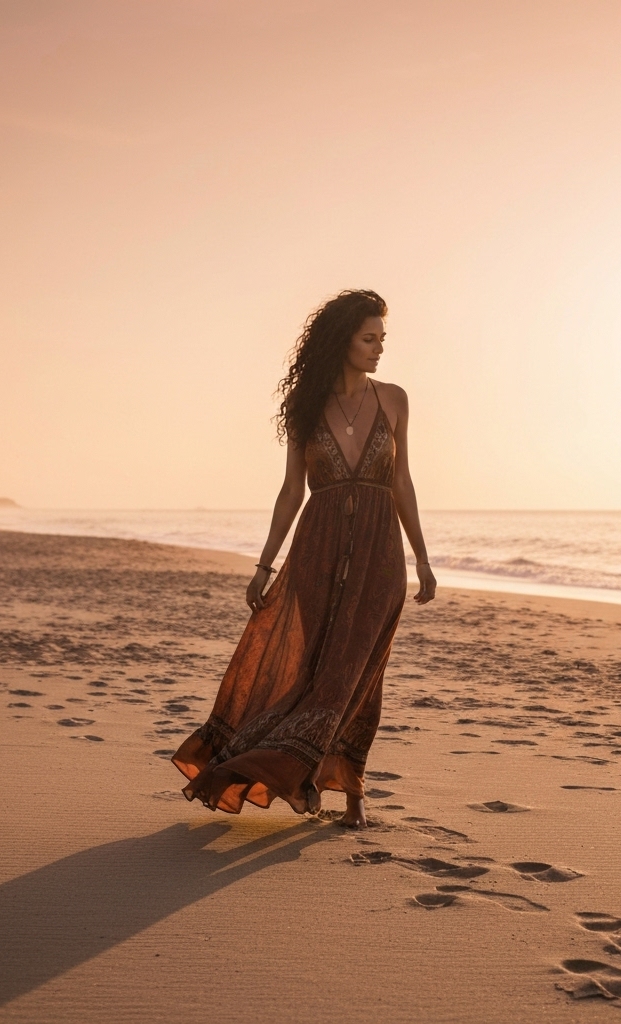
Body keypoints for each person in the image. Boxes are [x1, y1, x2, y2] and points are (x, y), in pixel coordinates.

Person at [172, 289, 436, 828]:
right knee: (315, 671)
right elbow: (292, 492)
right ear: (343, 341)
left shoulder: (395, 400)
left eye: (383, 339)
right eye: (369, 339)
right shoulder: (306, 409)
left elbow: (403, 482)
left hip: (380, 556)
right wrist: (264, 566)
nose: (379, 348)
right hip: (315, 553)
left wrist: (423, 558)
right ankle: (304, 774)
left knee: (358, 672)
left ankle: (354, 792)